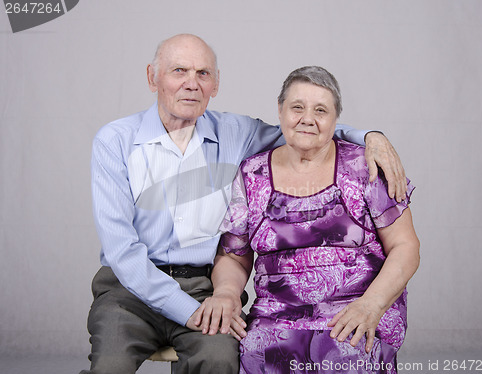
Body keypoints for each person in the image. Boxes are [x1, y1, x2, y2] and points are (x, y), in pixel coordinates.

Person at [81, 33, 408, 374]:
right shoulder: (115, 141)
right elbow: (122, 251)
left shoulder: (236, 133)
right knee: (110, 366)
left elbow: (306, 127)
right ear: (153, 77)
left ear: (215, 84)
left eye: (203, 74)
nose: (191, 84)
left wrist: (370, 136)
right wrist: (184, 309)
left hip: (204, 287)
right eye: (179, 71)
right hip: (127, 292)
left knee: (219, 360)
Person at [198, 66, 420, 373]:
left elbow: (406, 247)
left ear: (335, 118)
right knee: (256, 355)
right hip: (277, 315)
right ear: (280, 111)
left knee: (345, 358)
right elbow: (234, 256)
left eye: (321, 110)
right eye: (297, 108)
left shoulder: (365, 168)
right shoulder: (251, 174)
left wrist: (372, 306)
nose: (308, 119)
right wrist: (225, 292)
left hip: (356, 308)